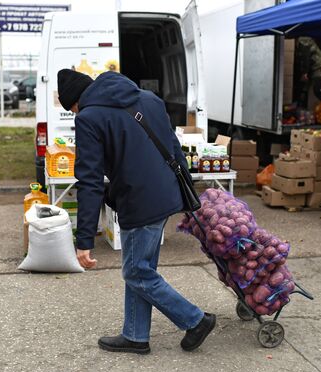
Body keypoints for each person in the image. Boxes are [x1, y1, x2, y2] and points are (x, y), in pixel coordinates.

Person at [57, 69, 216, 355]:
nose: (76, 113)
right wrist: (187, 196)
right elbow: (173, 147)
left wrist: (84, 241)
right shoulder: (149, 100)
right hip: (164, 193)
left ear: (77, 101)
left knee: (137, 272)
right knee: (141, 267)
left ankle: (195, 320)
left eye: (73, 109)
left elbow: (89, 181)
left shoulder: (89, 118)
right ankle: (135, 334)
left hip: (139, 200)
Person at [294, 37, 321, 108]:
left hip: (318, 65)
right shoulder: (302, 40)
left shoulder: (303, 40)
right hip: (315, 65)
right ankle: (300, 107)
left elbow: (305, 57)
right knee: (306, 88)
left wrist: (304, 72)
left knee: (318, 89)